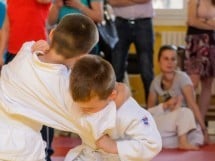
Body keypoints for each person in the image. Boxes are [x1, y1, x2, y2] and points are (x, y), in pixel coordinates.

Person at [65, 54, 162, 161]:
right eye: (80, 106)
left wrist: (115, 146)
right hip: (91, 153)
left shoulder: (129, 112)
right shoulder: (79, 92)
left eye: (90, 108)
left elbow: (153, 144)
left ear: (111, 95)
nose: (84, 110)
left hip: (119, 156)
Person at [1, 1, 53, 160]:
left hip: (37, 54)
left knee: (40, 106)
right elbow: (6, 25)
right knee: (10, 106)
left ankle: (45, 153)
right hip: (13, 53)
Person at [147, 45, 208, 145]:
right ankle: (180, 141)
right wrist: (165, 106)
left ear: (177, 62)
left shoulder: (183, 78)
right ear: (159, 61)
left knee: (196, 134)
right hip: (167, 121)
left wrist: (204, 130)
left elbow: (193, 105)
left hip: (183, 119)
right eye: (166, 59)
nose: (169, 62)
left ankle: (179, 140)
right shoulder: (155, 82)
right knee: (153, 123)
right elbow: (150, 112)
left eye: (173, 59)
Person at [108, 0, 154, 102]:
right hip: (120, 23)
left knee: (147, 72)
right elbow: (112, 2)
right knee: (116, 71)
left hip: (144, 23)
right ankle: (114, 110)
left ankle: (152, 111)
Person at [184, 0, 215, 125]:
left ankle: (200, 123)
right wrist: (211, 24)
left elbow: (197, 22)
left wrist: (202, 22)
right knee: (192, 83)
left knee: (208, 83)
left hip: (212, 44)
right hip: (195, 43)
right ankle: (188, 122)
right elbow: (192, 21)